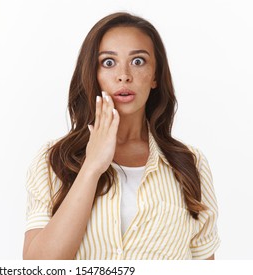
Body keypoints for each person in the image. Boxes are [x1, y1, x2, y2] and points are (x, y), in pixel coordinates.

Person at [23, 12, 220, 260]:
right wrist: (91, 167)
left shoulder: (191, 163)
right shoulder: (53, 160)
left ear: (156, 76)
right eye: (108, 62)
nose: (124, 75)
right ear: (92, 73)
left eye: (138, 61)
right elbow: (38, 268)